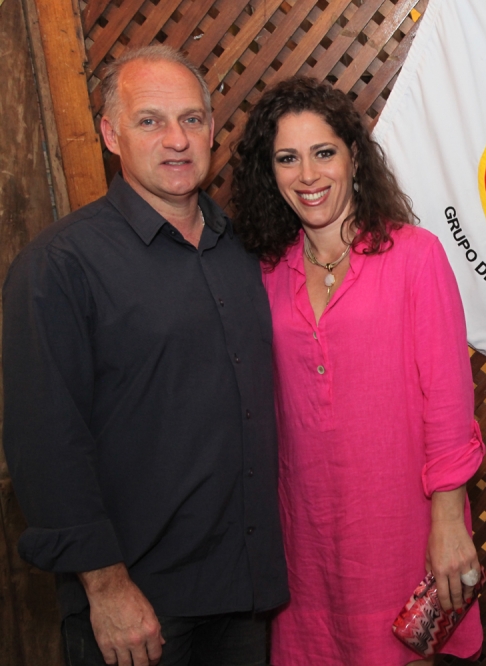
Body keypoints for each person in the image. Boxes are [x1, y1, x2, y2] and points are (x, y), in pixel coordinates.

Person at [2, 45, 288, 666]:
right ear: (111, 135)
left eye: (191, 119)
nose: (176, 140)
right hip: (138, 607)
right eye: (150, 121)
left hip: (243, 594)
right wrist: (105, 588)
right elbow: (46, 445)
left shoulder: (246, 250)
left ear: (211, 130)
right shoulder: (58, 267)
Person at [230, 77, 486, 665]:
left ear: (353, 155)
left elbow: (449, 402)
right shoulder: (265, 272)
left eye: (323, 152)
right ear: (269, 172)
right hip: (305, 535)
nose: (308, 175)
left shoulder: (415, 255)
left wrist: (449, 523)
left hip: (403, 525)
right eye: (287, 158)